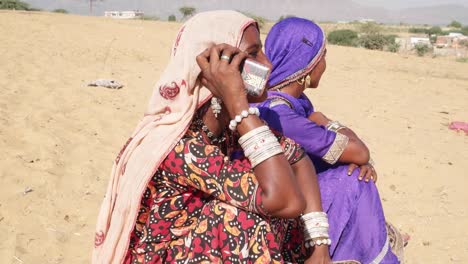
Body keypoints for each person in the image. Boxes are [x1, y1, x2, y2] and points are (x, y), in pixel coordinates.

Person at [92, 11, 335, 264]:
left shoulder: (230, 128)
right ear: (218, 68)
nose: (268, 65)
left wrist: (319, 246)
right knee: (240, 218)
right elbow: (286, 201)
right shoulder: (182, 146)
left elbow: (298, 157)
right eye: (253, 54)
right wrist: (238, 102)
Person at [256, 17, 403, 263]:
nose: (324, 64)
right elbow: (360, 152)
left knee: (352, 171)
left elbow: (351, 153)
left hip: (292, 193)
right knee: (355, 180)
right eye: (323, 56)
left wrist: (351, 156)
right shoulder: (281, 114)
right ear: (307, 65)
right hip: (285, 209)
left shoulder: (290, 103)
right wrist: (326, 122)